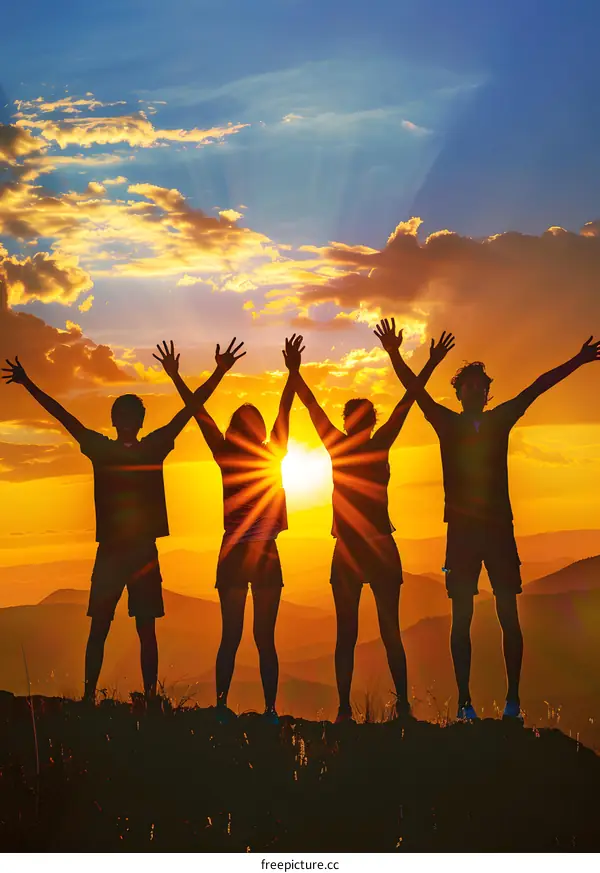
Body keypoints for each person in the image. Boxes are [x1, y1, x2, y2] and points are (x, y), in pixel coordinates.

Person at [375, 318, 600, 721]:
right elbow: (415, 391)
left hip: (497, 531)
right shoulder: (447, 423)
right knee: (461, 618)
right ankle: (464, 704)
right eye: (469, 386)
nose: (475, 390)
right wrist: (393, 354)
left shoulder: (499, 420)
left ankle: (513, 701)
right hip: (462, 534)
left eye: (481, 386)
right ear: (459, 393)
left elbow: (538, 385)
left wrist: (578, 361)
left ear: (486, 392)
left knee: (507, 614)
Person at [3, 340, 242, 704]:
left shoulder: (106, 449)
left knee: (106, 627)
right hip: (138, 551)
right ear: (135, 421)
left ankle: (91, 699)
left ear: (116, 420)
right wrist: (218, 372)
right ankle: (140, 700)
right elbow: (190, 409)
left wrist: (28, 382)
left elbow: (64, 416)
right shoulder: (152, 446)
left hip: (117, 551)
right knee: (138, 628)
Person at [291, 330, 455, 723]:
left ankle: (360, 710)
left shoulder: (346, 444)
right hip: (370, 548)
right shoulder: (374, 444)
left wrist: (296, 373)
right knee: (379, 632)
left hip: (360, 548)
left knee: (363, 633)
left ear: (352, 421)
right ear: (357, 421)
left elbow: (318, 407)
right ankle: (382, 710)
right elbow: (406, 401)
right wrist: (295, 374)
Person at [160, 335, 304, 723]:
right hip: (262, 553)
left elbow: (198, 411)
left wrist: (193, 375)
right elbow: (283, 409)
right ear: (253, 430)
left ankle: (228, 708)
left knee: (236, 637)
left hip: (238, 552)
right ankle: (266, 711)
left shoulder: (229, 453)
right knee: (259, 639)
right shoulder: (271, 451)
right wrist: (291, 372)